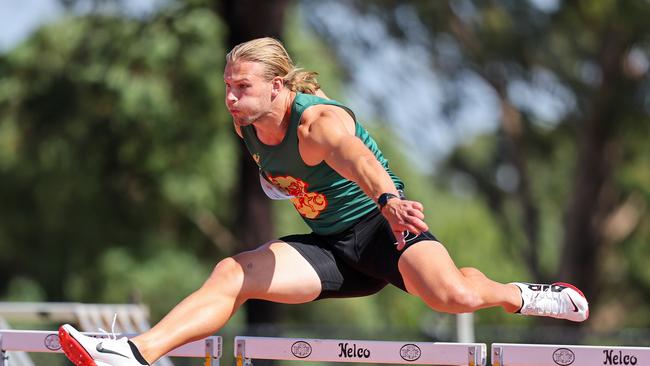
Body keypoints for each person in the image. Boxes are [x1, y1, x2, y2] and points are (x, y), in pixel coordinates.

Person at [58, 37, 588, 366]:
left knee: (453, 296)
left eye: (241, 87)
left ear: (278, 87)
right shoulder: (247, 122)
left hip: (382, 227)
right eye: (227, 87)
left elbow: (356, 159)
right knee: (232, 273)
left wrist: (388, 202)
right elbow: (279, 173)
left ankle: (525, 294)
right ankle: (134, 354)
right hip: (331, 248)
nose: (231, 98)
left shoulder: (317, 121)